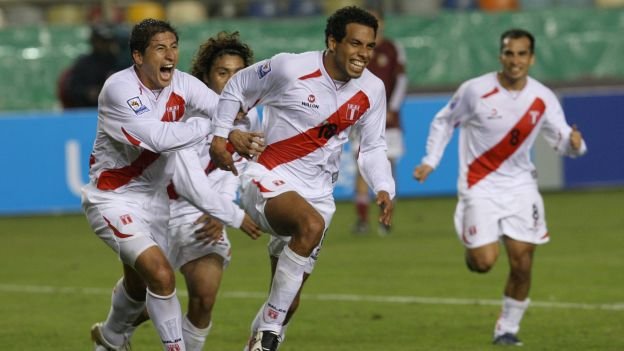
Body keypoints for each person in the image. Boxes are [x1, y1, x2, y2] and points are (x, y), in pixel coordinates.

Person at [209, 6, 396, 351]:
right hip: (267, 176)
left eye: (370, 46)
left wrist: (383, 187)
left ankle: (258, 342)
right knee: (308, 227)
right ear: (332, 41)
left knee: (288, 301)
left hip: (319, 196)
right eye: (355, 44)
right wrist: (221, 135)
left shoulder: (373, 89)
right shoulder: (290, 67)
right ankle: (270, 333)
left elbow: (371, 148)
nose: (364, 55)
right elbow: (237, 86)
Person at [82, 19, 261, 351]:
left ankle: (109, 338)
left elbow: (226, 110)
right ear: (138, 55)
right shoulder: (119, 89)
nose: (170, 55)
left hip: (157, 203)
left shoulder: (183, 84)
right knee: (162, 276)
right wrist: (214, 128)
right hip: (114, 198)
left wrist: (234, 130)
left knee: (138, 286)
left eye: (174, 46)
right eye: (160, 48)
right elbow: (159, 139)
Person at [413, 29, 587, 346]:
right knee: (483, 263)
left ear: (531, 58)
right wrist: (431, 160)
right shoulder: (475, 90)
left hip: (521, 187)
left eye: (522, 54)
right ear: (500, 56)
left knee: (522, 263)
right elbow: (443, 121)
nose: (515, 60)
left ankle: (507, 329)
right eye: (509, 53)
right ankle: (475, 241)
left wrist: (575, 145)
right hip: (479, 186)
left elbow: (562, 139)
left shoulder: (542, 97)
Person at [351, 7, 407, 235]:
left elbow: (401, 80)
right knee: (361, 168)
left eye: (376, 19)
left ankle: (386, 217)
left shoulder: (393, 48)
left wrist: (392, 107)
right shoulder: (355, 49)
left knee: (389, 168)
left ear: (382, 22)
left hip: (389, 119)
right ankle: (362, 219)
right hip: (362, 119)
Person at [58, 23, 125, 108]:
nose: (105, 45)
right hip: (87, 111)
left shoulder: (119, 63)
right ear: (93, 41)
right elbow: (72, 89)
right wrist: (87, 93)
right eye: (102, 41)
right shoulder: (84, 64)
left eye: (108, 41)